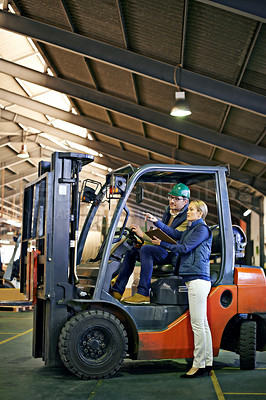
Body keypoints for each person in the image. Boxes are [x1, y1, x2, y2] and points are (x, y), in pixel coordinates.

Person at [144, 200, 213, 378]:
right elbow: (174, 233)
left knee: (197, 324)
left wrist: (162, 244)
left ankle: (198, 365)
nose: (187, 212)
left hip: (198, 279)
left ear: (200, 213)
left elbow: (184, 248)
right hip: (195, 279)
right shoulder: (191, 229)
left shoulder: (201, 230)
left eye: (191, 210)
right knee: (203, 324)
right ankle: (207, 362)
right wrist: (157, 222)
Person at [111, 183, 190, 303]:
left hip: (173, 253)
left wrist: (150, 229)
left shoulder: (188, 218)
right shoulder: (169, 212)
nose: (172, 201)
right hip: (162, 248)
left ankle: (143, 293)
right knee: (131, 251)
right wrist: (142, 237)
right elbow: (161, 235)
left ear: (185, 201)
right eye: (170, 197)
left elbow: (173, 235)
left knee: (147, 250)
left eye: (176, 198)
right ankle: (117, 290)